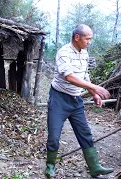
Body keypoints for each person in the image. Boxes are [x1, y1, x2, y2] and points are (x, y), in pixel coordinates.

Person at [45, 24, 114, 178]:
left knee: (85, 133)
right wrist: (96, 87)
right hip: (59, 99)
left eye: (90, 39)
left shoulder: (84, 53)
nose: (89, 42)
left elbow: (84, 75)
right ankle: (50, 167)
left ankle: (94, 167)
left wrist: (93, 93)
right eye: (87, 39)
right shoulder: (64, 53)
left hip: (76, 101)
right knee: (54, 136)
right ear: (77, 37)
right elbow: (69, 77)